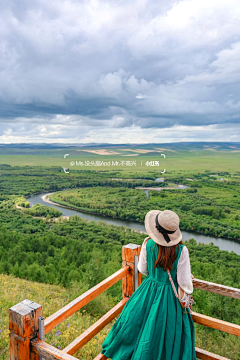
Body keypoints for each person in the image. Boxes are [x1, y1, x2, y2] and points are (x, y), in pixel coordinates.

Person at [100, 209, 196, 360]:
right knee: (164, 332)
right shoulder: (182, 251)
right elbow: (185, 284)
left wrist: (156, 274)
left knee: (136, 325)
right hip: (169, 298)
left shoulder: (147, 243)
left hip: (147, 290)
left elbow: (142, 269)